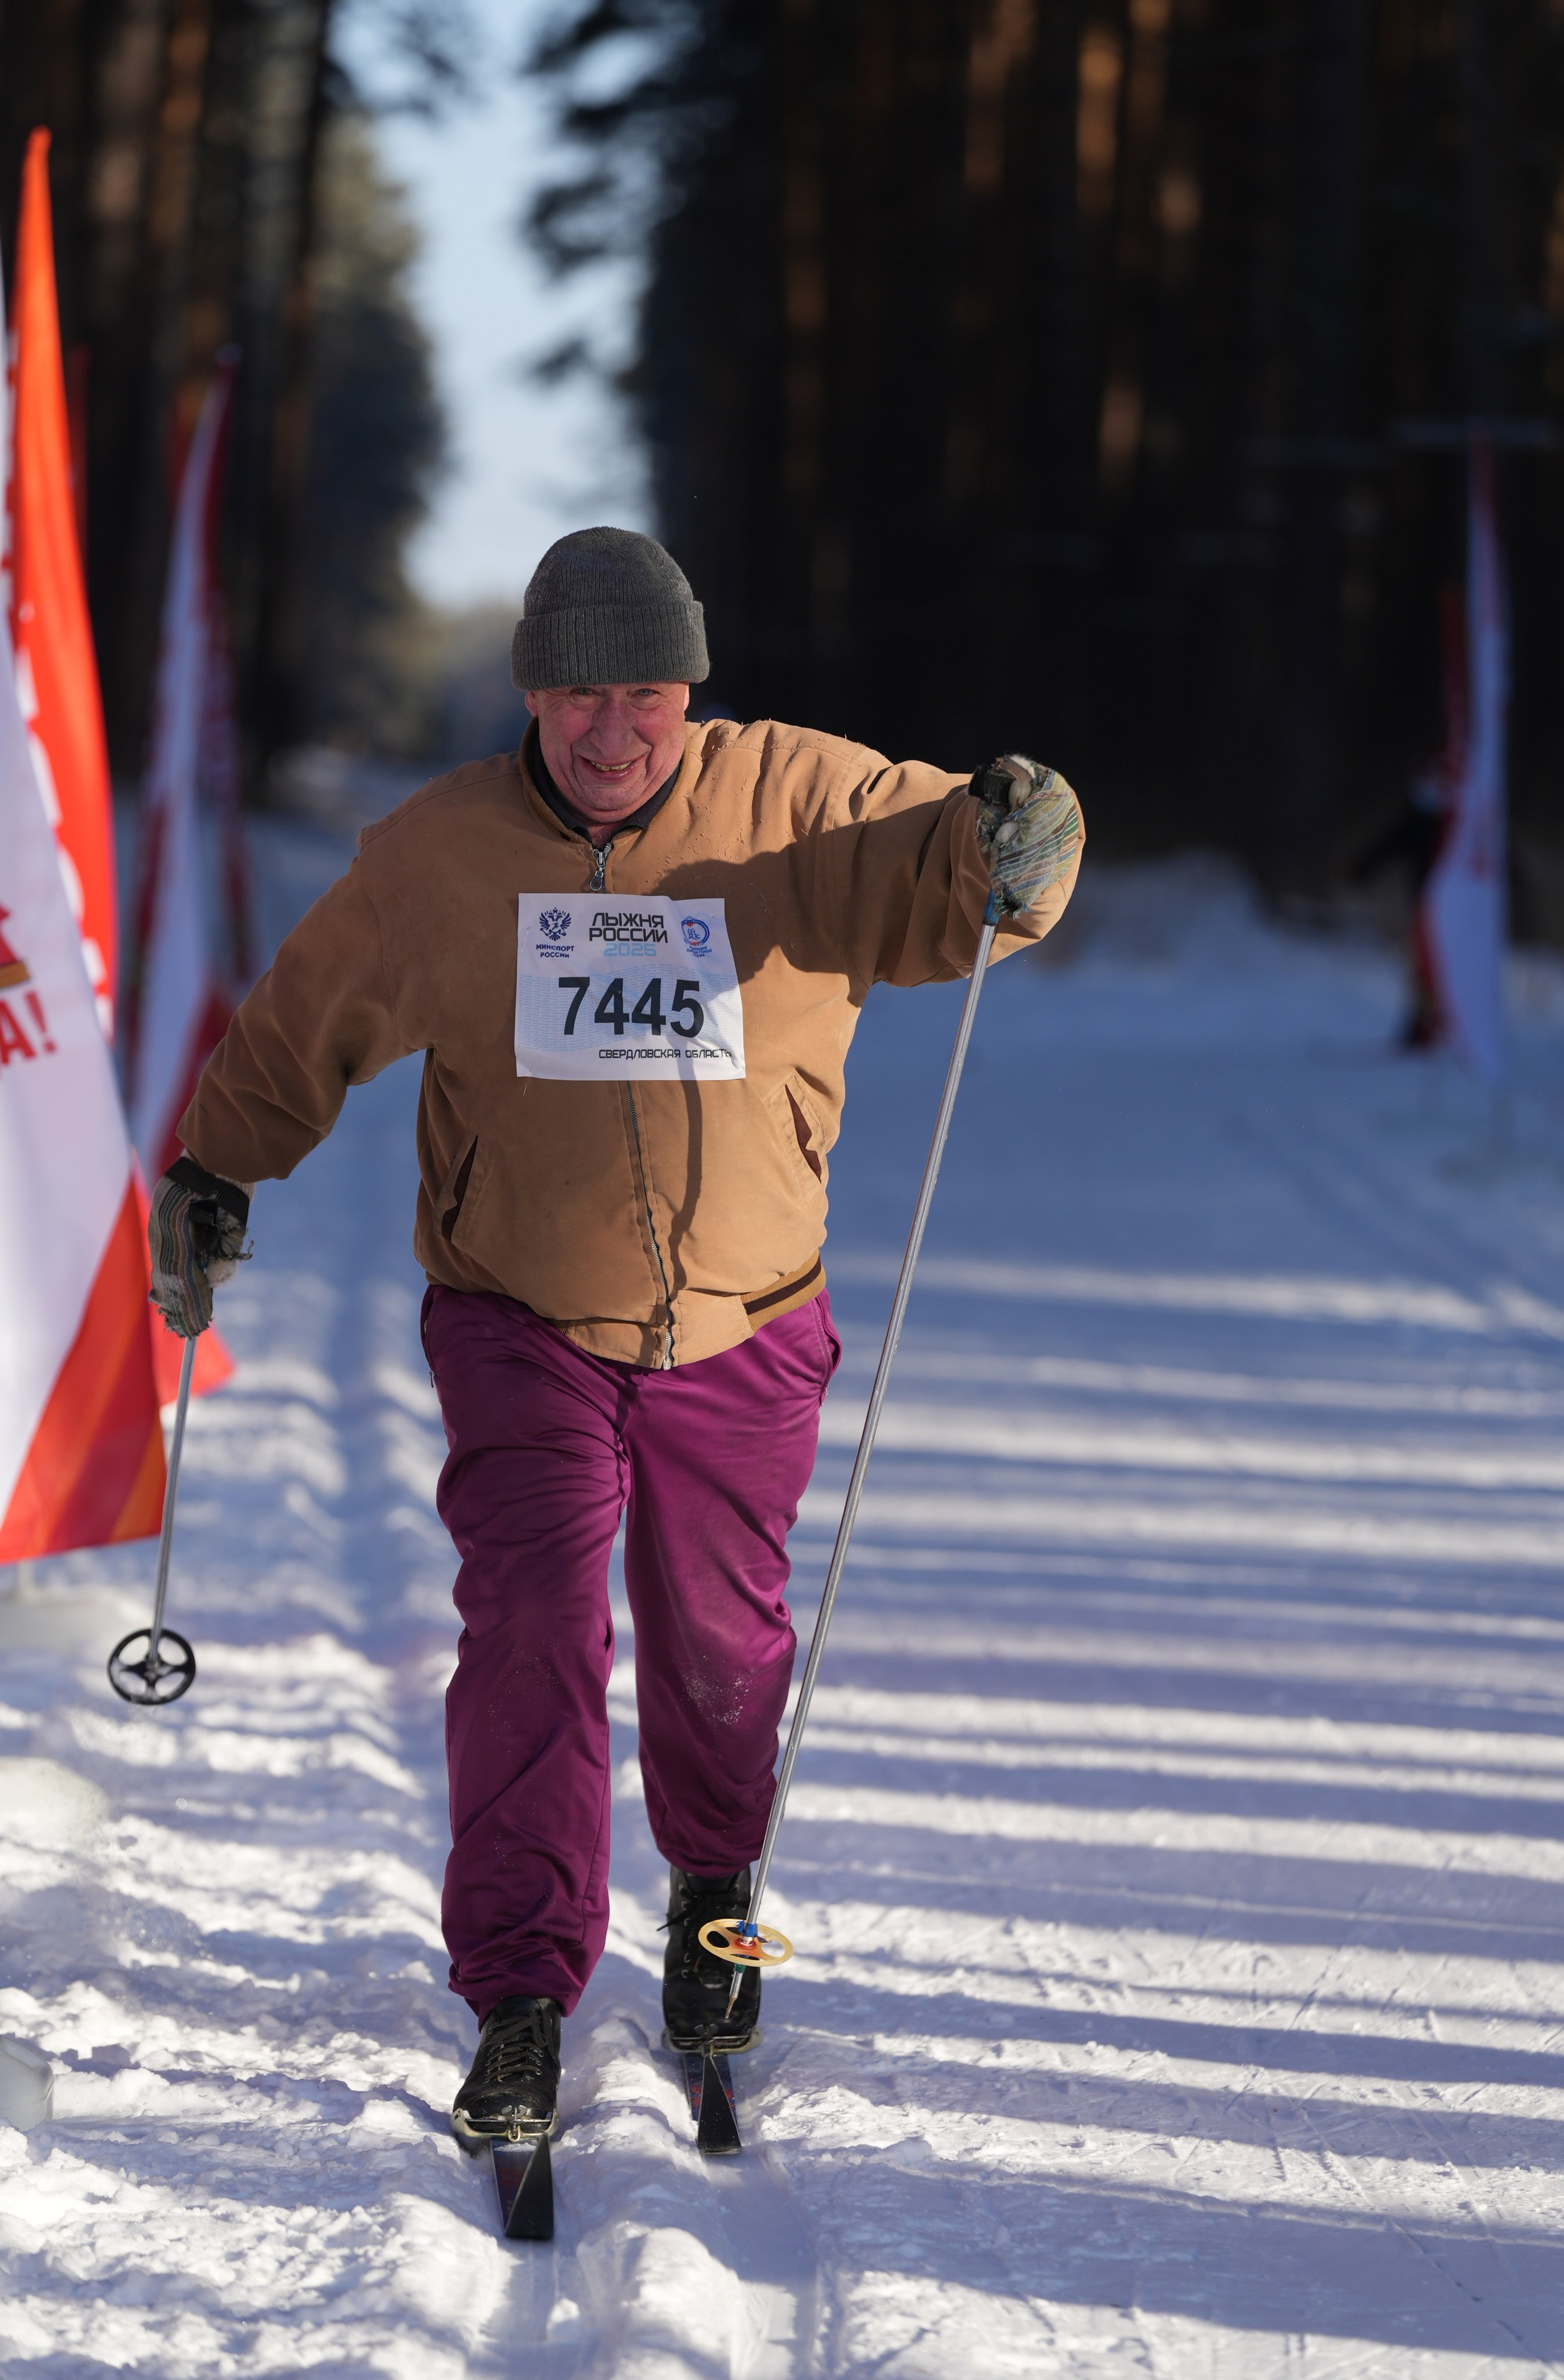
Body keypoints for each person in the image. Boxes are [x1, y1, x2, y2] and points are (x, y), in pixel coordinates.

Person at [147, 527, 1084, 2148]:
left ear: (690, 690)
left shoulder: (797, 803)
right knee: (530, 1628)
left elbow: (958, 862)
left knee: (723, 1648)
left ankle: (715, 1903)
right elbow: (304, 1019)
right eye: (579, 697)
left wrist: (1028, 836)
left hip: (746, 1319)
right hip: (522, 1318)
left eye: (647, 694)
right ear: (530, 692)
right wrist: (216, 1169)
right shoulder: (441, 855)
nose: (613, 732)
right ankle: (519, 1993)